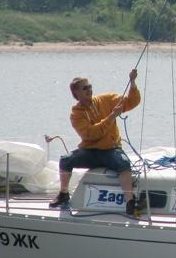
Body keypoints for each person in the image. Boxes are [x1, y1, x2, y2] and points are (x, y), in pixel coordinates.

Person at [50, 69, 141, 215]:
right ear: (76, 94)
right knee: (66, 160)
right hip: (90, 151)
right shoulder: (76, 113)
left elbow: (132, 101)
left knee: (124, 163)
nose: (89, 89)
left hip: (111, 149)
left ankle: (130, 202)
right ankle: (64, 193)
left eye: (90, 86)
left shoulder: (106, 99)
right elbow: (90, 134)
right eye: (84, 88)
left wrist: (133, 82)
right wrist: (111, 117)